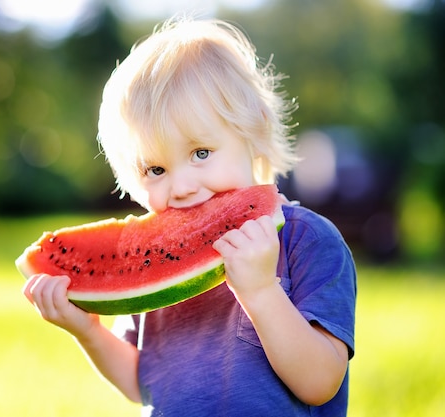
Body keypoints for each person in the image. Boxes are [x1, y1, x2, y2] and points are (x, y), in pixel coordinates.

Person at [23, 16, 356, 417]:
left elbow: (320, 383)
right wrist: (87, 330)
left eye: (200, 153)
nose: (180, 186)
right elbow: (139, 382)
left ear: (255, 132)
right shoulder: (147, 262)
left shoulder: (309, 241)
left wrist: (261, 292)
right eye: (155, 170)